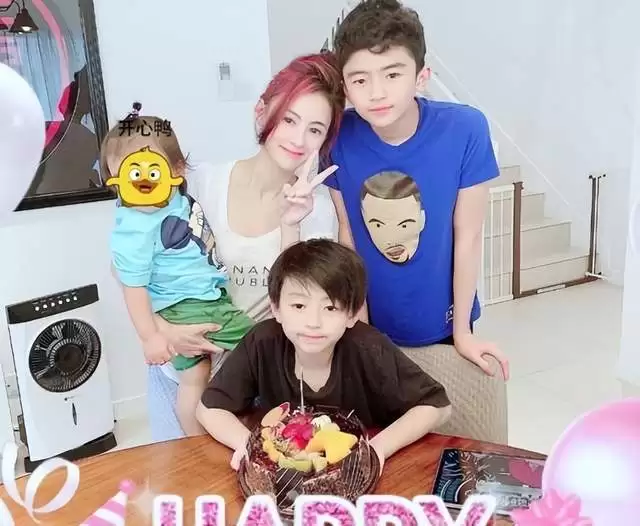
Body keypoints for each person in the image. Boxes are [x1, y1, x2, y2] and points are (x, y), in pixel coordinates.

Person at [324, 0, 509, 442]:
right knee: (383, 444)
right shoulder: (338, 137)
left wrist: (461, 332)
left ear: (421, 77)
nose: (377, 92)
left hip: (443, 321)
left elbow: (468, 235)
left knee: (450, 439)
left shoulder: (465, 129)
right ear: (346, 87)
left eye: (392, 74)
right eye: (360, 79)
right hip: (373, 322)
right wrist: (360, 331)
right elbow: (349, 235)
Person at [139, 52, 346, 442]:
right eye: (289, 120)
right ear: (261, 112)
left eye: (315, 130)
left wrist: (290, 224)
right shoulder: (202, 184)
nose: (298, 139)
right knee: (180, 479)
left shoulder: (318, 212)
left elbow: (296, 306)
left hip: (250, 387)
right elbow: (132, 265)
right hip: (178, 373)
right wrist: (163, 330)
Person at [195, 239, 452, 472]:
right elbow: (209, 409)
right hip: (284, 476)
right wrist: (248, 446)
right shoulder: (262, 342)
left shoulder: (368, 347)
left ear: (351, 314)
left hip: (358, 473)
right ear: (276, 308)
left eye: (330, 307)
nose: (313, 322)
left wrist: (377, 449)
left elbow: (437, 406)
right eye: (299, 305)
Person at [103, 104, 256, 436]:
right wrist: (151, 337)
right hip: (186, 306)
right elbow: (133, 288)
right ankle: (197, 441)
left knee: (200, 375)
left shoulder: (175, 197)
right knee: (260, 346)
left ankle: (209, 433)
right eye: (128, 178)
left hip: (207, 296)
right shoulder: (134, 228)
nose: (141, 185)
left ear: (176, 170)